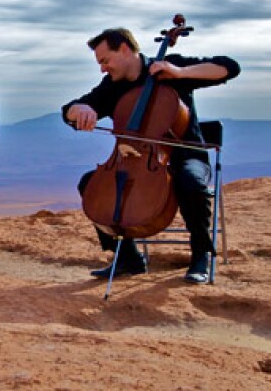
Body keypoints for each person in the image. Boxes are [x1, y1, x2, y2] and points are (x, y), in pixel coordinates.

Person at [62, 28, 240, 283]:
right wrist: (80, 110)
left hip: (186, 156)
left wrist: (181, 73)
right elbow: (69, 110)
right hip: (135, 160)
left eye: (105, 60)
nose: (103, 68)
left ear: (124, 49)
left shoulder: (170, 68)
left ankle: (201, 255)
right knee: (90, 184)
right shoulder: (113, 86)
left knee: (189, 181)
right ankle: (127, 257)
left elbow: (229, 68)